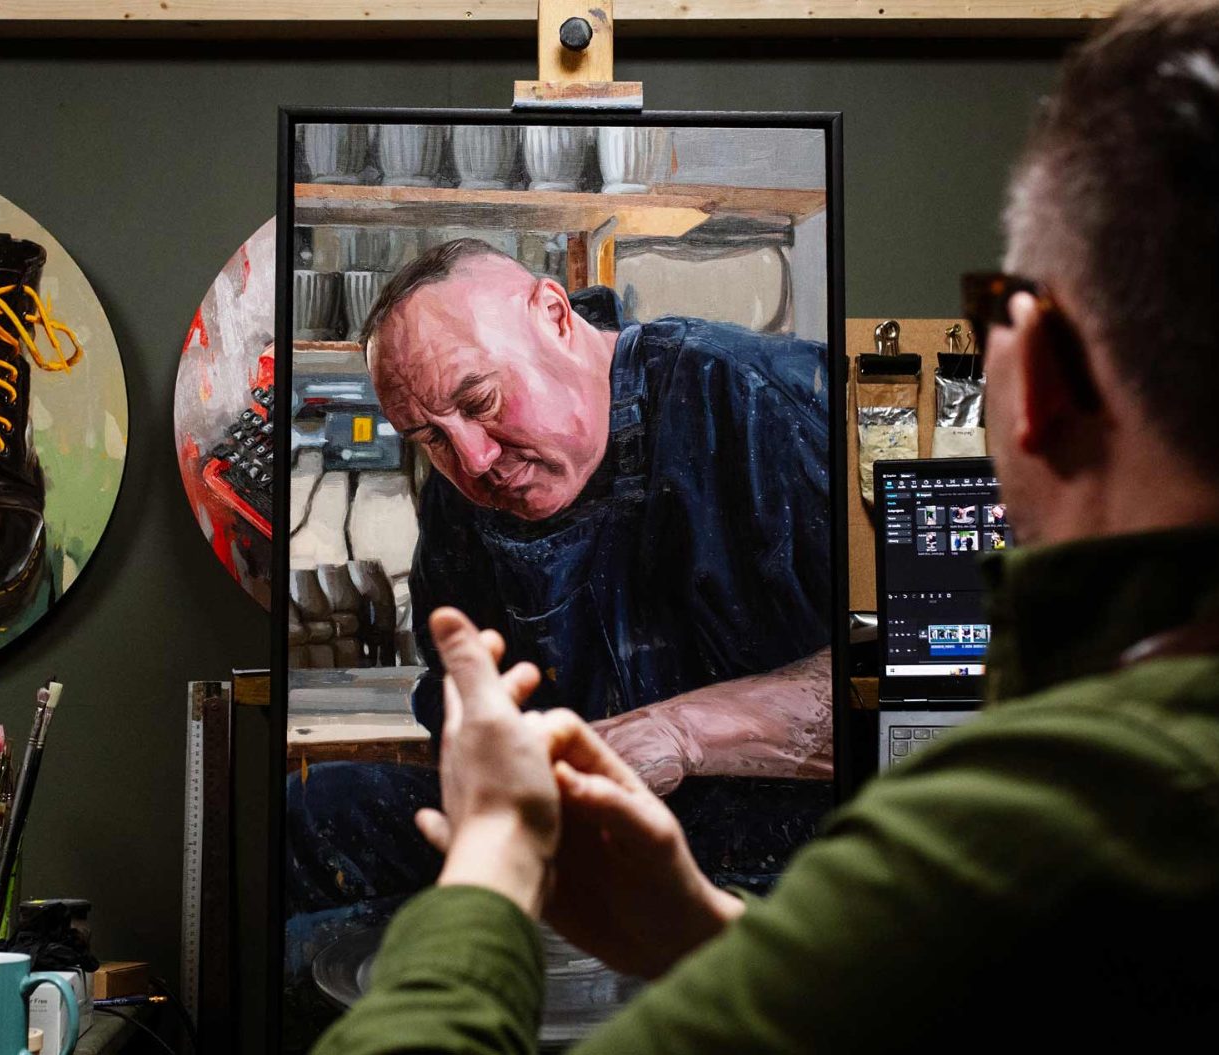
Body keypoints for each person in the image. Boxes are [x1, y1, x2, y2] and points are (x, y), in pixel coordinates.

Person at [312, 0, 1219, 1050]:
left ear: (1037, 374)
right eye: (429, 437)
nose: (466, 459)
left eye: (999, 313)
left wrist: (489, 872)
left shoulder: (1048, 826)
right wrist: (707, 940)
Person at [287, 244, 836, 927]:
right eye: (428, 436)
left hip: (779, 851)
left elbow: (921, 688)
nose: (474, 459)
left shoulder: (763, 403)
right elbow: (456, 687)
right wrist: (483, 760)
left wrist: (680, 734)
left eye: (480, 400)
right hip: (568, 839)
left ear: (554, 315)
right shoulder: (463, 494)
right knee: (311, 814)